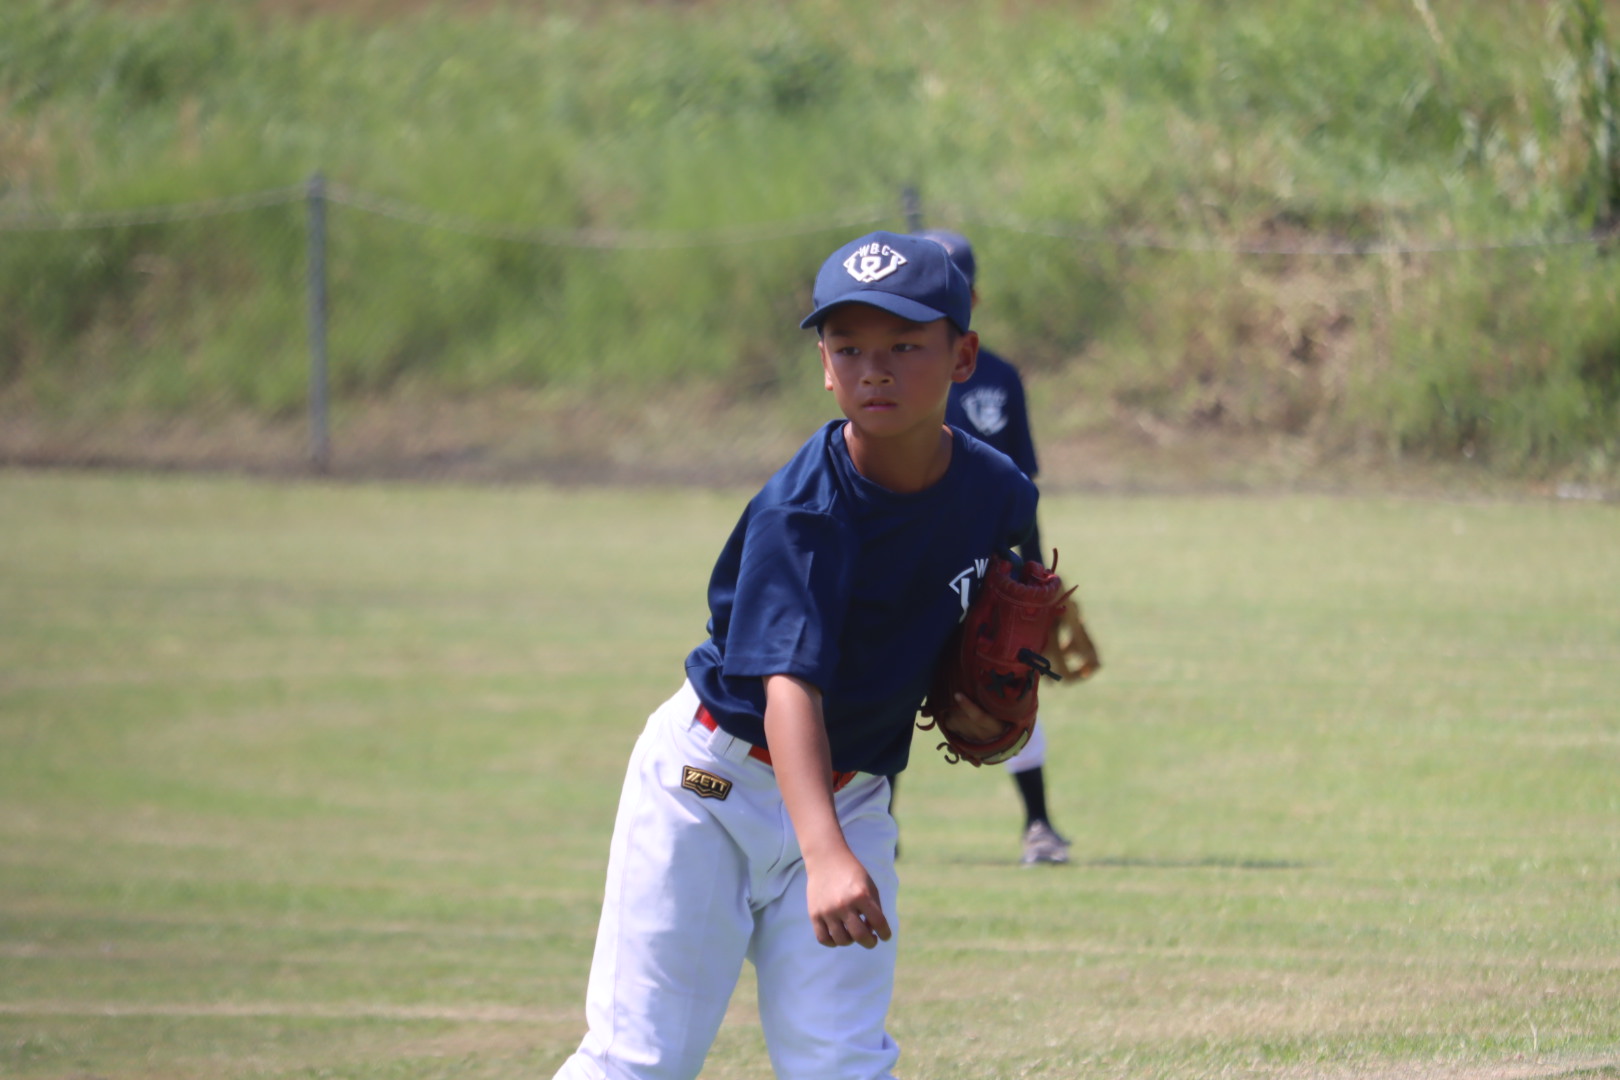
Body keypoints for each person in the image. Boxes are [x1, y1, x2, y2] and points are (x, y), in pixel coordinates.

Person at [551, 231, 1041, 1080]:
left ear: (963, 357)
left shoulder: (997, 490)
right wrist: (824, 855)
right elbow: (789, 687)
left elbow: (994, 594)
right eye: (848, 348)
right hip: (711, 789)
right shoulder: (805, 511)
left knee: (842, 1063)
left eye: (904, 346)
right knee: (643, 1059)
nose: (874, 370)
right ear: (823, 365)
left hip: (852, 794)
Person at [924, 228, 1072, 867]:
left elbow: (1023, 490)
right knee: (887, 688)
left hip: (988, 572)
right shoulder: (897, 373)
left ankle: (1038, 825)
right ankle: (873, 826)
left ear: (974, 297)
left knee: (1007, 685)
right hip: (911, 564)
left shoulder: (1000, 378)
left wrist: (1039, 582)